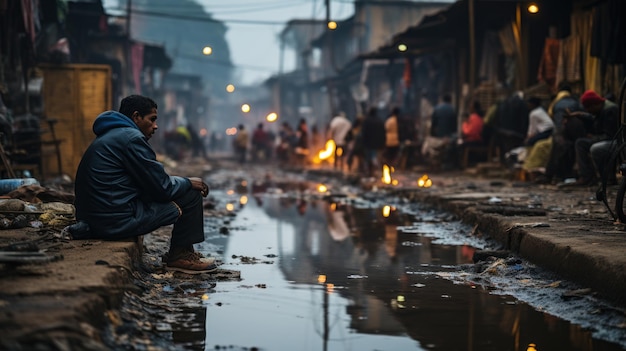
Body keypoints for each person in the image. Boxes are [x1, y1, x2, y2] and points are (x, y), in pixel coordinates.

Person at [68, 95, 217, 274]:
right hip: (114, 222)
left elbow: (150, 184)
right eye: (152, 119)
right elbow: (163, 188)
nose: (156, 126)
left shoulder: (114, 135)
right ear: (136, 117)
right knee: (191, 195)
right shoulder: (131, 138)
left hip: (94, 220)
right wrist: (188, 182)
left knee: (181, 188)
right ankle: (180, 256)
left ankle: (185, 252)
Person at [569, 90, 619, 186]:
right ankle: (587, 177)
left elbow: (610, 136)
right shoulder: (602, 109)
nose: (588, 111)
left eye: (588, 108)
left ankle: (607, 178)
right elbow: (593, 117)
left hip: (614, 142)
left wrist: (595, 138)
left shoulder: (610, 110)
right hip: (608, 139)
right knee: (580, 143)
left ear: (593, 105)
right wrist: (581, 115)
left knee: (595, 148)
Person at [361, 107, 386, 177]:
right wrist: (383, 143)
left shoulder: (366, 121)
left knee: (369, 159)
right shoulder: (380, 121)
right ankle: (376, 173)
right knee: (376, 158)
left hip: (368, 143)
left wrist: (363, 143)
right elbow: (383, 133)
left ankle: (370, 173)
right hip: (378, 143)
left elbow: (364, 133)